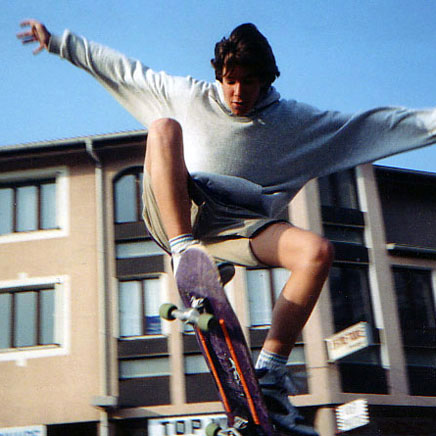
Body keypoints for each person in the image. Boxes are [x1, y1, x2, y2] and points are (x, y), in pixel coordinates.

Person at [17, 19, 436, 435]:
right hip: (178, 208)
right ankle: (186, 254)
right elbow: (122, 69)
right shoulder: (187, 95)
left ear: (267, 80)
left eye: (249, 83)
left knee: (316, 252)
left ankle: (270, 373)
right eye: (230, 81)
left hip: (238, 226)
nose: (238, 93)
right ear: (218, 75)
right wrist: (59, 43)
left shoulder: (297, 123)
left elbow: (378, 125)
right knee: (163, 127)